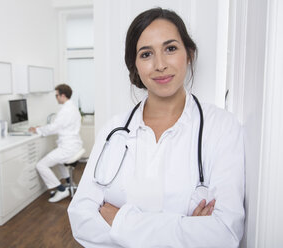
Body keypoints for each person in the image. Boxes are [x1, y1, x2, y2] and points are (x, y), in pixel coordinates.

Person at [68, 7, 245, 247]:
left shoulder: (222, 127)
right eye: (146, 54)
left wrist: (120, 221)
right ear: (136, 66)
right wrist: (187, 228)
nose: (160, 64)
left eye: (170, 48)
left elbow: (224, 234)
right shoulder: (114, 130)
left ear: (189, 53)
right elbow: (81, 220)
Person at [29, 84, 82, 203]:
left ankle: (62, 189)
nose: (56, 97)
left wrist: (37, 130)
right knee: (59, 161)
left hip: (68, 147)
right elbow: (58, 125)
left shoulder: (66, 110)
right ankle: (69, 183)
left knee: (41, 165)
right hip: (74, 145)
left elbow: (55, 127)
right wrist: (42, 128)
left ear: (63, 95)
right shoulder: (72, 107)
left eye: (56, 95)